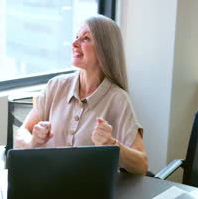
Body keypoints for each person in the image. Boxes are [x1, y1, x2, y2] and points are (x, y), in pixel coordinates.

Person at [15, 15, 149, 175]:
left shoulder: (118, 99)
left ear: (104, 49)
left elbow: (141, 166)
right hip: (46, 184)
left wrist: (112, 144)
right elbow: (20, 135)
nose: (74, 44)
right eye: (76, 37)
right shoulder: (56, 86)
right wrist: (32, 142)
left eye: (85, 39)